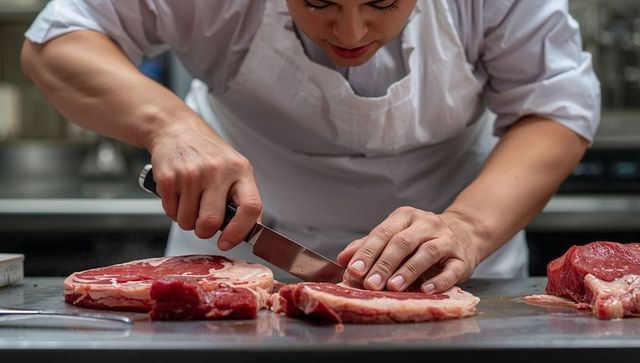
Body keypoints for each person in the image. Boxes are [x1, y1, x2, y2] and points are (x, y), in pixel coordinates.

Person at [21, 0, 600, 293]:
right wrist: (168, 124)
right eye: (319, 2)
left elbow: (555, 106)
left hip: (449, 270)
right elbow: (56, 41)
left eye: (382, 3)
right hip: (239, 267)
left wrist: (469, 228)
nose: (351, 33)